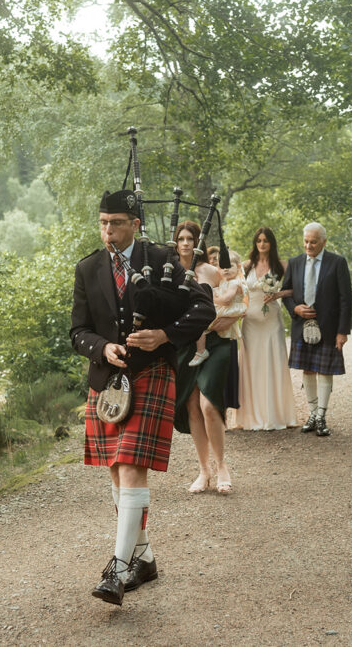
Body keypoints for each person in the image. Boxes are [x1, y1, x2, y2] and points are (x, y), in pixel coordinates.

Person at [70, 190, 214, 606]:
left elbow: (203, 308)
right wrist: (101, 348)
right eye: (102, 222)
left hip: (150, 374)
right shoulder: (88, 268)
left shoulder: (163, 260)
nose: (108, 231)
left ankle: (117, 570)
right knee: (117, 472)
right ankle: (144, 558)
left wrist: (165, 335)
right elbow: (78, 331)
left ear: (135, 224)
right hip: (107, 382)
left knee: (131, 466)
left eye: (116, 222)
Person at [172, 221, 239, 494]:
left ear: (199, 242)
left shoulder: (210, 271)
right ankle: (204, 470)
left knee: (209, 405)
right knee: (191, 406)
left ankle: (222, 465)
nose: (186, 243)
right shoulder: (170, 272)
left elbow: (237, 297)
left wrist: (230, 318)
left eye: (191, 238)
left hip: (215, 342)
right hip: (184, 345)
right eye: (181, 238)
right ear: (175, 242)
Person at [281, 222, 352, 436]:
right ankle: (312, 414)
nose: (308, 246)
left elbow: (345, 299)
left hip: (328, 328)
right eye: (306, 241)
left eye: (313, 242)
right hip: (302, 326)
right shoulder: (295, 262)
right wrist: (296, 309)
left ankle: (321, 416)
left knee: (324, 369)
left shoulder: (337, 263)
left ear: (323, 242)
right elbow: (286, 294)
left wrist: (342, 331)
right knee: (308, 369)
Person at [229, 227, 300, 431]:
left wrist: (278, 295)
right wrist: (237, 308)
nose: (262, 244)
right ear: (255, 243)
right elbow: (235, 287)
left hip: (272, 321)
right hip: (250, 320)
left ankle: (276, 415)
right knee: (252, 366)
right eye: (259, 240)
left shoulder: (282, 266)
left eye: (266, 241)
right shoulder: (246, 266)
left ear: (271, 243)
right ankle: (250, 417)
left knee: (273, 362)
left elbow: (295, 288)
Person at [189, 249, 247, 366]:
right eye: (222, 266)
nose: (225, 269)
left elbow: (226, 300)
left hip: (227, 309)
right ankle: (201, 350)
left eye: (229, 266)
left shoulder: (235, 283)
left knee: (200, 322)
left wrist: (209, 296)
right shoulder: (225, 280)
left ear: (238, 266)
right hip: (225, 309)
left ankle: (201, 351)